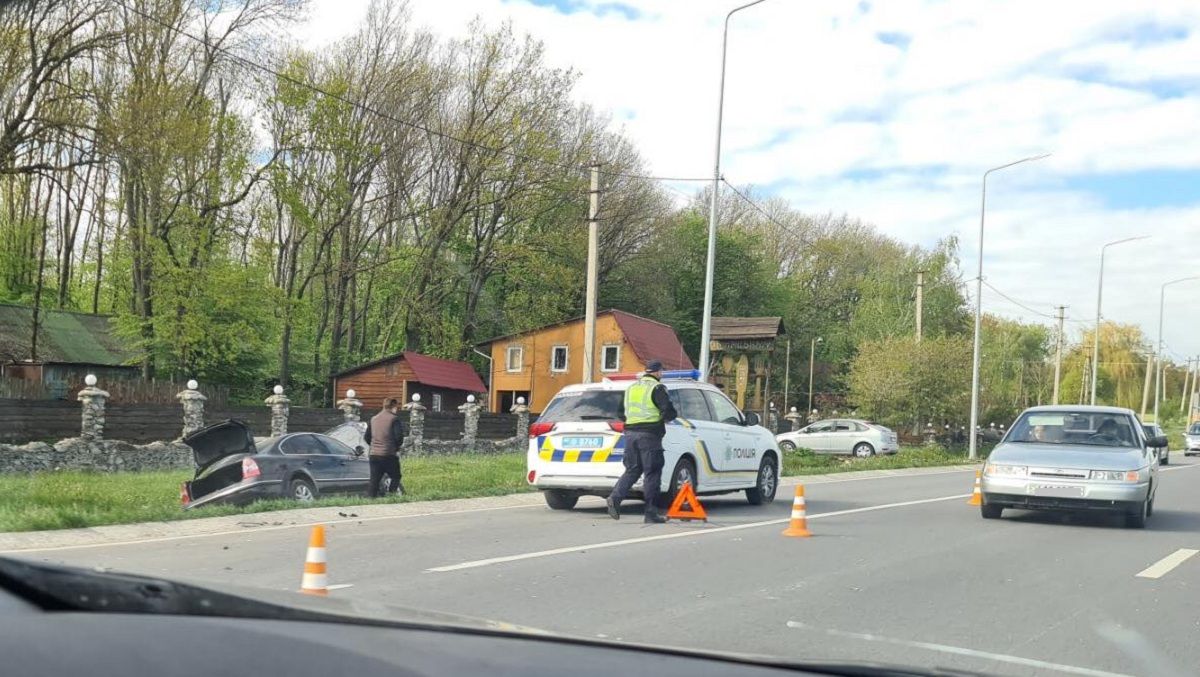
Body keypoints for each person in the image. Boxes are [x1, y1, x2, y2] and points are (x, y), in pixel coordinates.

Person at [606, 360, 677, 523]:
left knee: (632, 469)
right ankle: (651, 513)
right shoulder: (657, 388)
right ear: (658, 372)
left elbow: (620, 412)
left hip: (630, 434)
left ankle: (614, 499)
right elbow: (668, 411)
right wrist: (665, 419)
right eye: (662, 372)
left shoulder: (631, 388)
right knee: (652, 473)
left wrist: (633, 421)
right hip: (649, 435)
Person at [364, 397, 405, 497]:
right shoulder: (394, 419)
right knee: (396, 476)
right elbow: (399, 436)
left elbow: (367, 437)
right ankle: (391, 495)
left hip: (374, 454)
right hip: (388, 454)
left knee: (374, 479)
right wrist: (396, 447)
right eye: (396, 407)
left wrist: (374, 445)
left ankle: (370, 500)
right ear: (394, 406)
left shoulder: (374, 419)